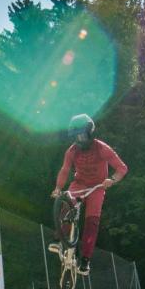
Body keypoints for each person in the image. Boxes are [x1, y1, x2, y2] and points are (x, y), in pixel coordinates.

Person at [51, 114, 128, 274]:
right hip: (79, 184)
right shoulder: (72, 151)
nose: (80, 139)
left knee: (92, 221)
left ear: (90, 133)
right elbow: (65, 170)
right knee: (66, 202)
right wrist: (58, 188)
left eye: (83, 135)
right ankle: (59, 240)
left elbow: (122, 168)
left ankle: (85, 260)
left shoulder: (101, 148)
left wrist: (111, 179)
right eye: (76, 136)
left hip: (98, 187)